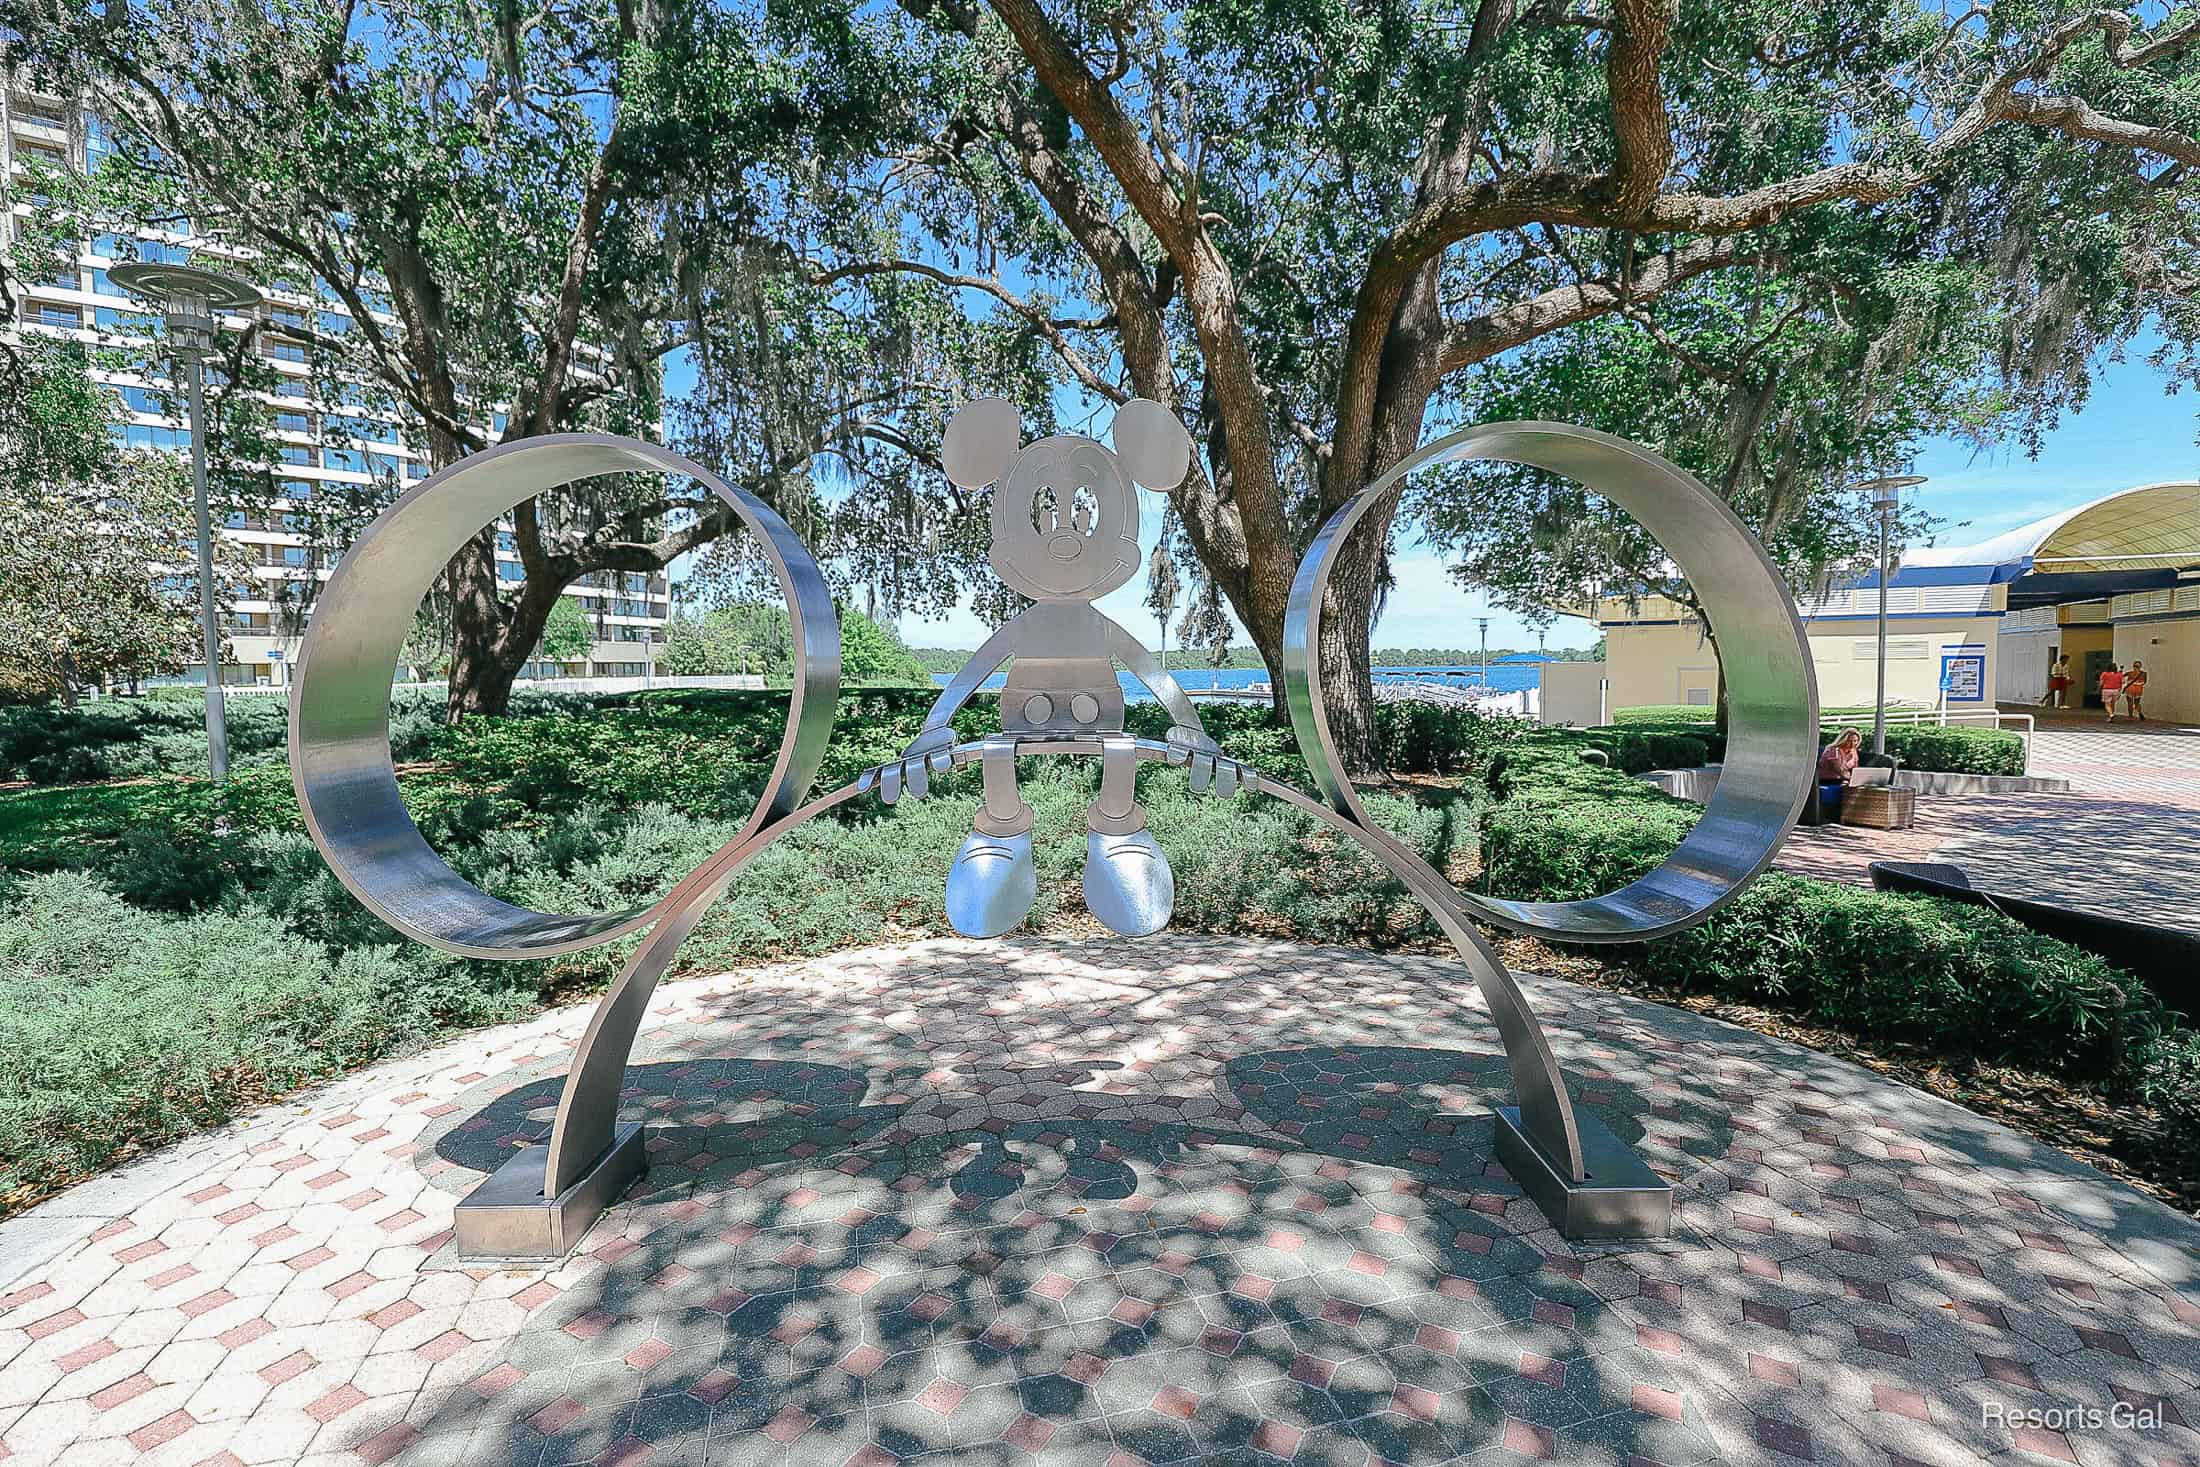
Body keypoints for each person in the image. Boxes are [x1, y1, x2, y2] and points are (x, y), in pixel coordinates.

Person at [1810, 728, 1864, 822]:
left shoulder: (1853, 752)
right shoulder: (1834, 751)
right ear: (1843, 740)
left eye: (1855, 741)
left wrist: (1859, 780)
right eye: (1849, 741)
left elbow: (1855, 770)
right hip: (1827, 781)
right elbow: (1840, 770)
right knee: (1850, 788)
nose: (1853, 744)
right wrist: (1852, 780)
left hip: (1842, 780)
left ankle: (1860, 818)